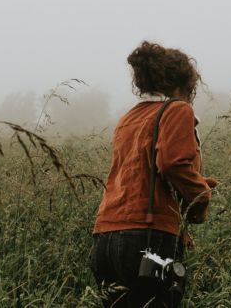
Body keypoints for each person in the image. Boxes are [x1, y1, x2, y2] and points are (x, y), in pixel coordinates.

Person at [91, 41, 218, 308]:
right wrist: (201, 195)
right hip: (147, 239)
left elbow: (141, 175)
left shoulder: (129, 118)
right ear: (183, 85)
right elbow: (172, 164)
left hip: (106, 240)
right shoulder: (176, 109)